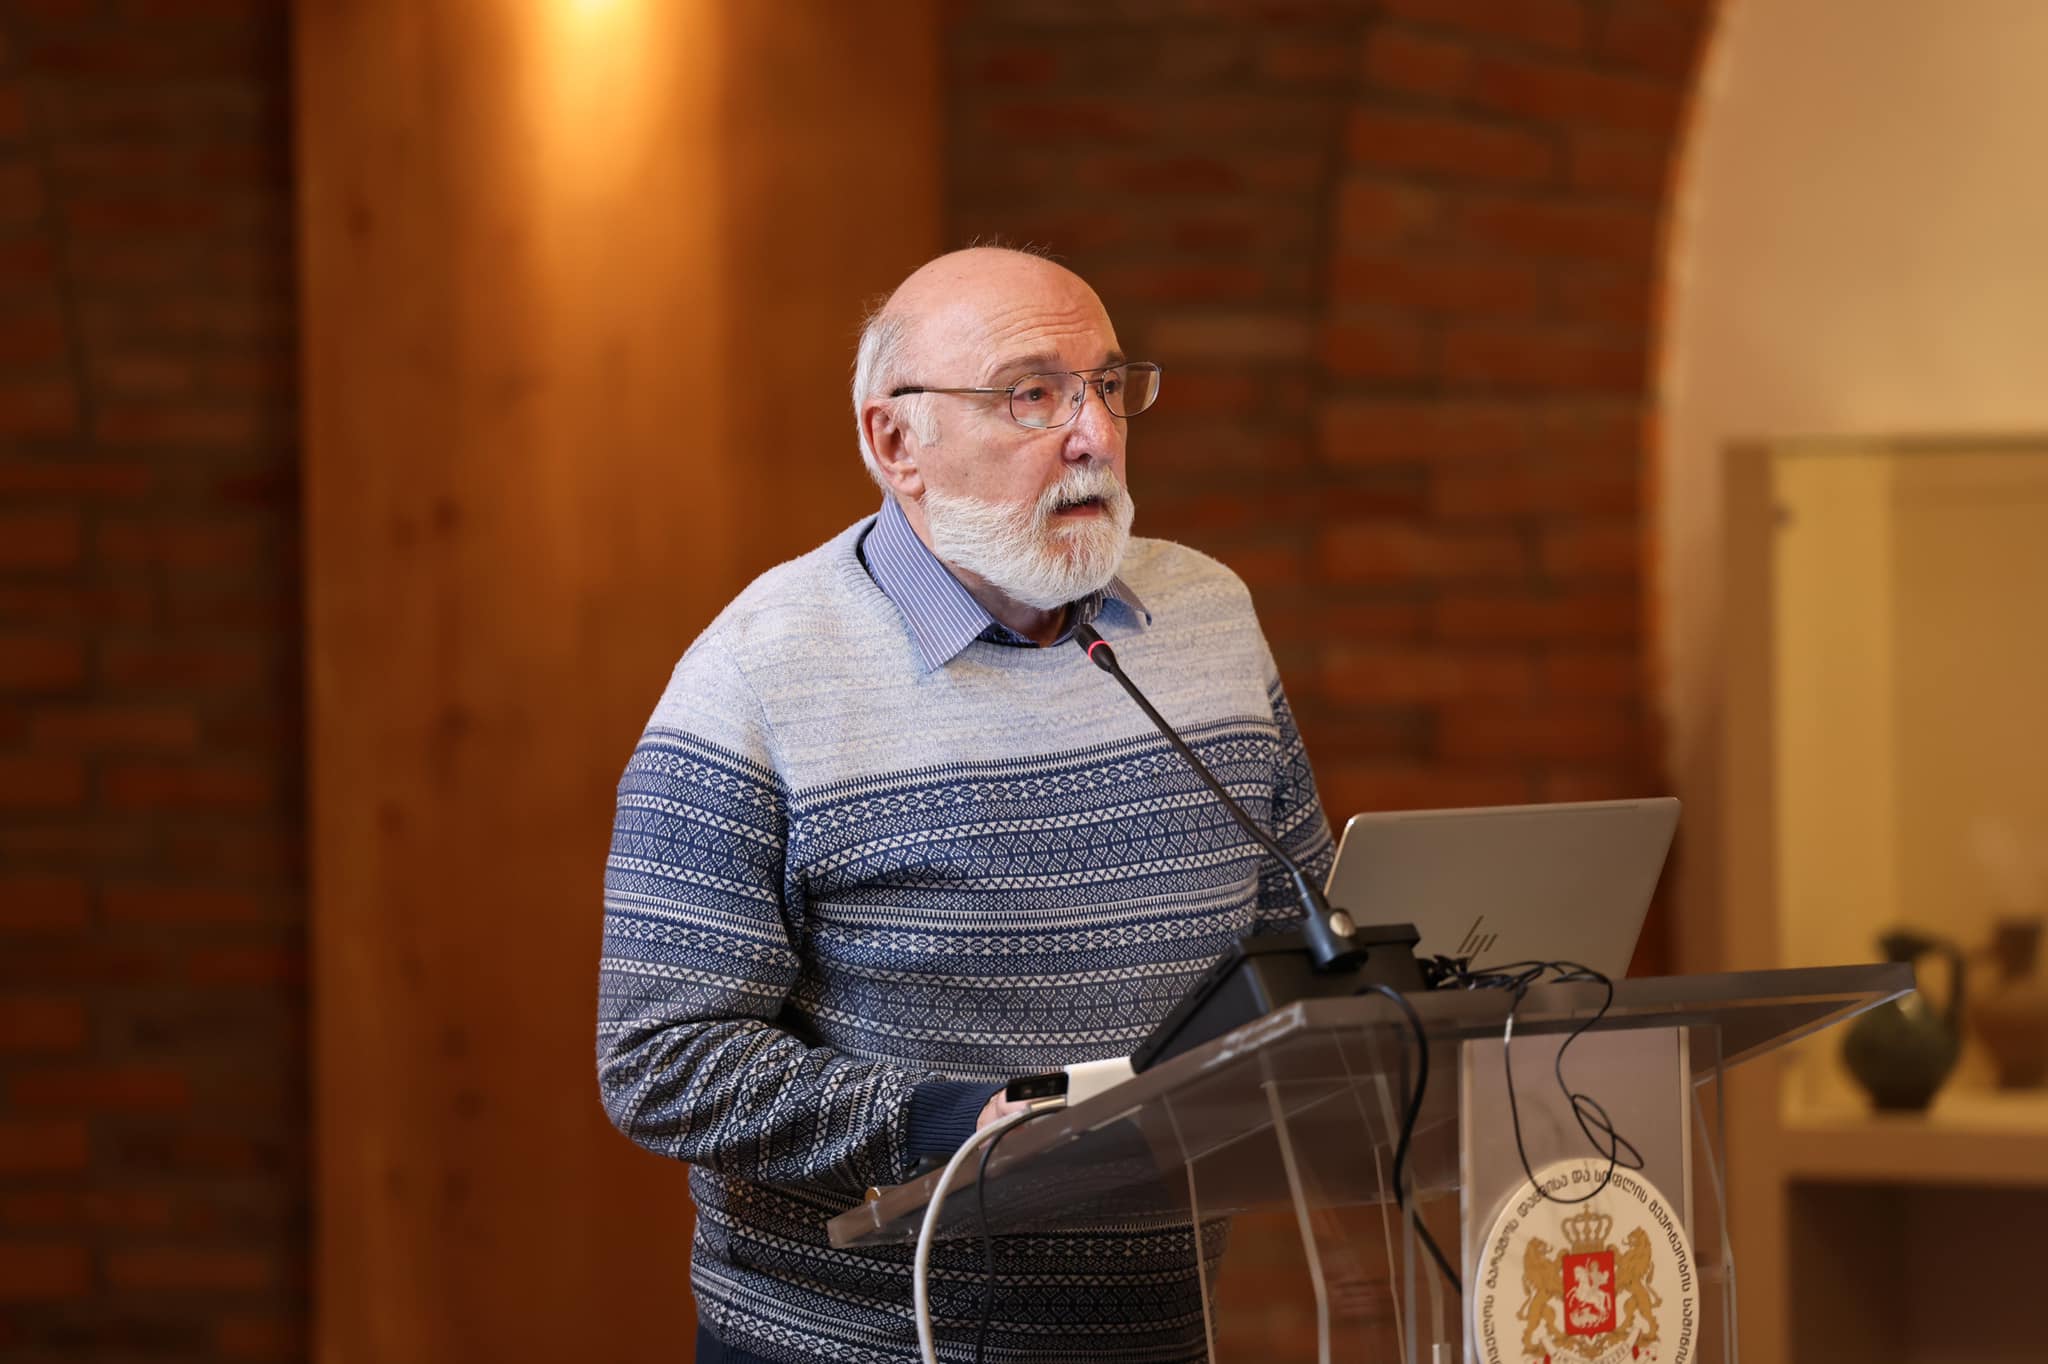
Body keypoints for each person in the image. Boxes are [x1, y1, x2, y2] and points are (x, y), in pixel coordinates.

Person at [596, 247, 1335, 1363]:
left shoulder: (1207, 618)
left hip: (1155, 1335)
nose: (1093, 434)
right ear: (897, 442)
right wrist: (943, 1121)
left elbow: (1300, 935)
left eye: (1108, 385)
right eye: (1032, 394)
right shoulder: (756, 673)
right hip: (850, 1343)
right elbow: (660, 1060)